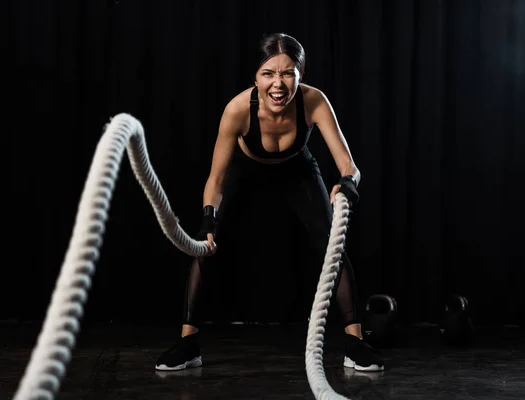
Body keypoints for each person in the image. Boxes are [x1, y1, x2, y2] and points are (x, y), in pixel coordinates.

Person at [155, 33, 383, 372]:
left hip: (297, 170)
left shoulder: (314, 101)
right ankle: (188, 343)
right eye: (268, 74)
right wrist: (208, 217)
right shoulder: (237, 110)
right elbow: (216, 179)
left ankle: (355, 342)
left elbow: (349, 166)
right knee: (206, 246)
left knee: (331, 244)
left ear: (299, 75)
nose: (278, 84)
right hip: (246, 171)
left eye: (288, 73)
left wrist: (347, 185)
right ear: (256, 77)